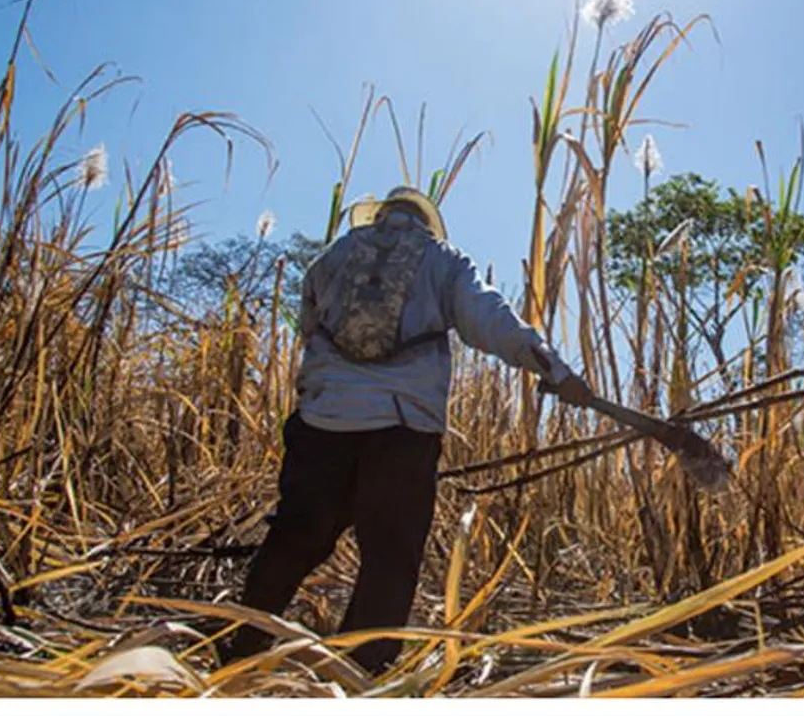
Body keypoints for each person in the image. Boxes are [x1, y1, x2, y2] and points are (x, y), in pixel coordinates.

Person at [221, 186, 594, 673]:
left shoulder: (335, 255)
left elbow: (309, 325)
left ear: (382, 216)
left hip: (323, 425)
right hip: (402, 431)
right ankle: (358, 676)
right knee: (390, 556)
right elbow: (490, 318)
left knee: (296, 537)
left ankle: (240, 648)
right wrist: (555, 371)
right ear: (424, 222)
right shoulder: (443, 260)